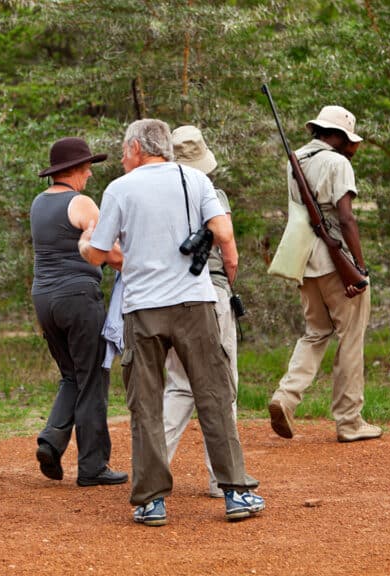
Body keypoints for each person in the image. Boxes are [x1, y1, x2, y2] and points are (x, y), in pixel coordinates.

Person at [79, 119, 264, 527]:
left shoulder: (119, 190)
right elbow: (223, 230)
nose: (124, 156)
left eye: (125, 149)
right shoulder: (195, 181)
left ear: (137, 149)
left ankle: (152, 501)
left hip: (142, 308)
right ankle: (235, 492)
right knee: (213, 395)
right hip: (195, 304)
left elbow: (97, 255)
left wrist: (86, 239)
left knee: (145, 404)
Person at [267, 106, 382, 443]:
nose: (355, 147)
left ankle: (286, 397)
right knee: (350, 336)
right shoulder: (337, 163)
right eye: (353, 140)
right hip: (335, 262)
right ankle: (349, 421)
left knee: (315, 332)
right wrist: (359, 267)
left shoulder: (296, 161)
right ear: (342, 137)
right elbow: (345, 218)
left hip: (303, 259)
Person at [31, 137, 128, 488]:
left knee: (71, 374)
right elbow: (109, 252)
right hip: (78, 297)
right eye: (86, 167)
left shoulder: (39, 204)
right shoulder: (81, 202)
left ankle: (51, 441)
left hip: (44, 298)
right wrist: (141, 268)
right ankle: (93, 465)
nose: (89, 173)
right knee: (92, 378)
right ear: (72, 170)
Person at [162, 126, 238, 499]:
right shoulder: (213, 194)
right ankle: (222, 478)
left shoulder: (155, 197)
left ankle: (153, 470)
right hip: (211, 294)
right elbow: (230, 253)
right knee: (222, 385)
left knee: (178, 385)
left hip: (168, 299)